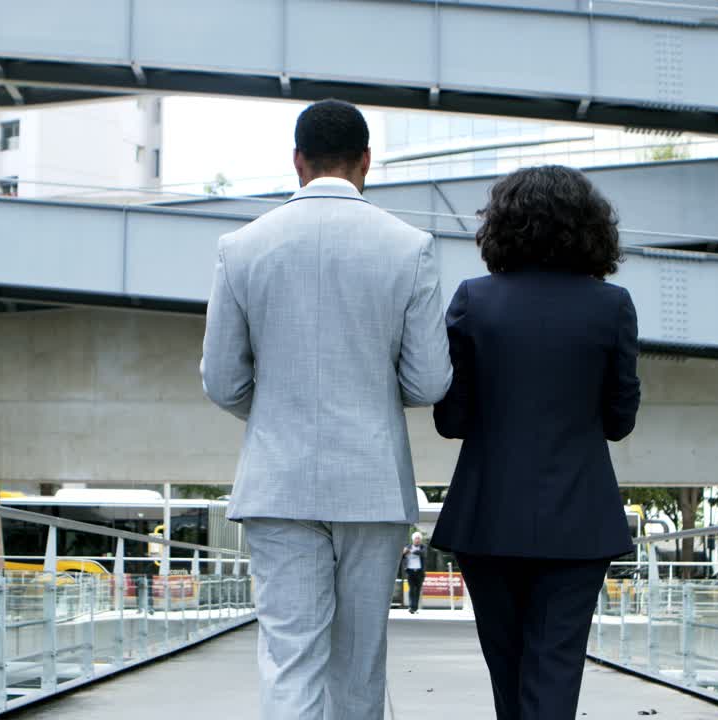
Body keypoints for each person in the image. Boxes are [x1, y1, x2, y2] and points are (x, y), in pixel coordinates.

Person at [201, 99, 452, 720]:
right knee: (359, 663)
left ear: (297, 161)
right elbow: (428, 382)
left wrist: (277, 412)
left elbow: (223, 380)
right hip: (371, 483)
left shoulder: (242, 247)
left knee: (290, 658)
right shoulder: (410, 246)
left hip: (277, 482)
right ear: (367, 161)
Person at [430, 165, 641, 720]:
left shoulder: (473, 301)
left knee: (508, 671)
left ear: (501, 226)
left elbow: (451, 420)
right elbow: (620, 420)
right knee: (555, 669)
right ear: (591, 227)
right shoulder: (612, 305)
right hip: (579, 520)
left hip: (487, 517)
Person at [401, 532, 428, 614]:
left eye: (419, 539)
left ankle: (415, 608)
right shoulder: (407, 547)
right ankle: (411, 607)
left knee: (418, 590)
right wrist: (404, 552)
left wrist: (411, 551)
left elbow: (422, 553)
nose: (417, 540)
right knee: (411, 589)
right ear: (413, 539)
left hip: (419, 571)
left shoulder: (423, 547)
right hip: (410, 571)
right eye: (416, 538)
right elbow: (402, 556)